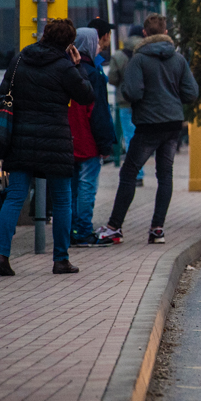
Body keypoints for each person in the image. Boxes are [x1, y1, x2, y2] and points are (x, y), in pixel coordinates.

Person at [0, 18, 94, 277]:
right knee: (61, 201)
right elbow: (86, 95)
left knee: (14, 197)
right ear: (69, 43)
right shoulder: (65, 67)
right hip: (55, 141)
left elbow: (2, 93)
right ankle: (61, 260)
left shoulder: (19, 60)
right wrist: (78, 65)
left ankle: (1, 254)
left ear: (45, 34)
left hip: (20, 139)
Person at [96, 14, 199, 245]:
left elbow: (132, 92)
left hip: (148, 125)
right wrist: (172, 97)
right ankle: (157, 229)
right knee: (165, 175)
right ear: (165, 33)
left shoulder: (139, 60)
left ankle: (114, 227)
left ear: (144, 33)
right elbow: (191, 93)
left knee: (129, 172)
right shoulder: (179, 60)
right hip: (173, 124)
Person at [69, 28, 118, 246]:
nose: (99, 46)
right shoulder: (92, 73)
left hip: (66, 139)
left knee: (69, 188)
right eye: (95, 42)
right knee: (87, 185)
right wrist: (106, 143)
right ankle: (83, 231)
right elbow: (98, 113)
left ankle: (69, 230)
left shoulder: (65, 69)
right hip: (87, 138)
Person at [108, 30, 140, 160]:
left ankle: (137, 173)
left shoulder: (118, 56)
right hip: (143, 102)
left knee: (129, 135)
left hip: (124, 101)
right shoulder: (146, 54)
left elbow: (112, 79)